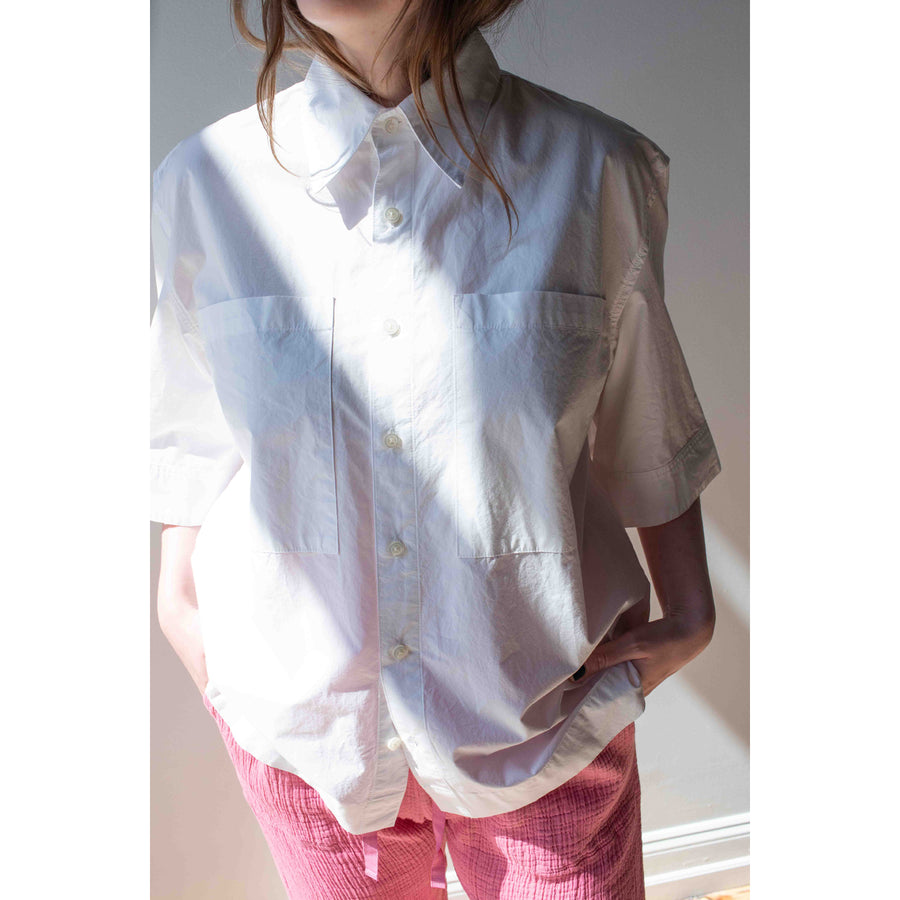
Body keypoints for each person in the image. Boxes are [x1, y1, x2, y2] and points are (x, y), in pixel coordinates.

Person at [150, 1, 723, 897]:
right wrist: (183, 612)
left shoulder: (593, 170)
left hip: (546, 734)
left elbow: (648, 419)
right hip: (308, 749)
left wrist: (690, 613)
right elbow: (189, 444)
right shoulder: (204, 184)